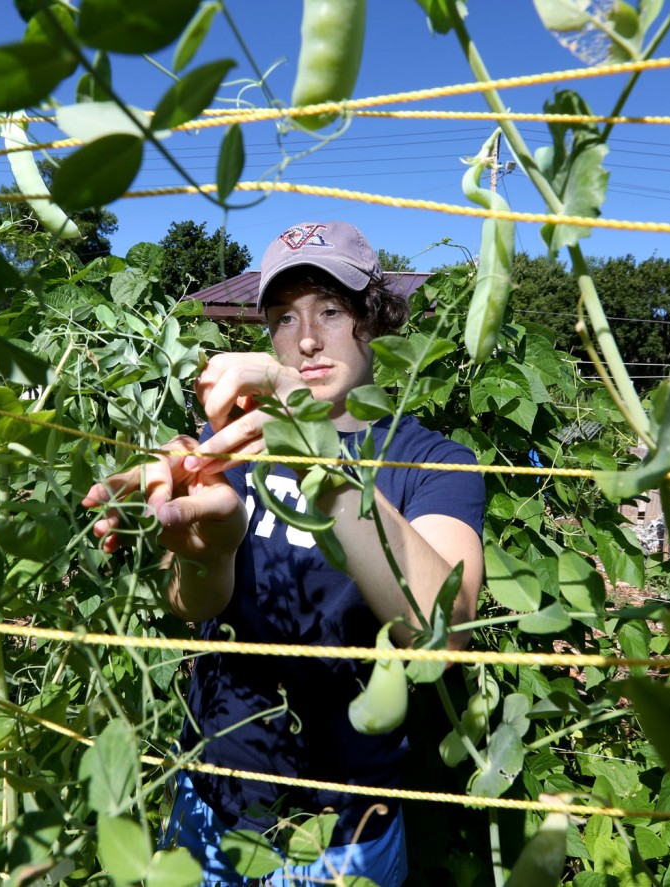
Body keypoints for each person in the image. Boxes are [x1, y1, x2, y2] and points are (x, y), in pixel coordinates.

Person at [83, 221, 485, 886]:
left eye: (330, 310)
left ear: (372, 318)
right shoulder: (237, 448)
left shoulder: (431, 462)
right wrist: (204, 555)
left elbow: (442, 628)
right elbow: (191, 604)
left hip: (345, 837)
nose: (305, 340)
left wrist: (309, 447)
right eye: (284, 317)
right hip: (209, 810)